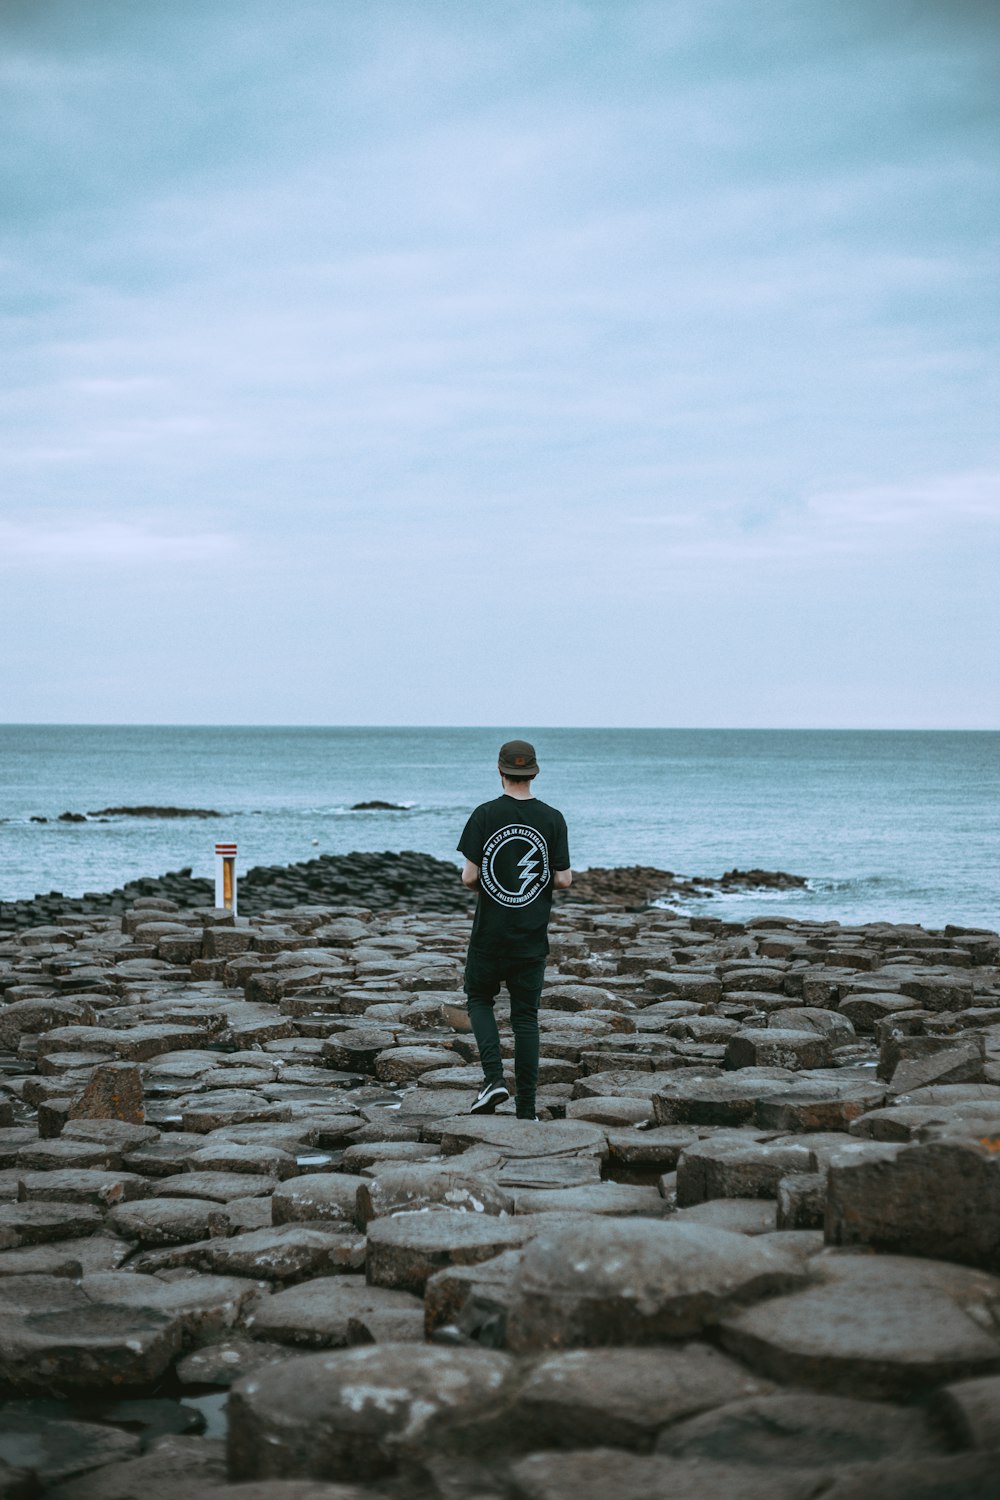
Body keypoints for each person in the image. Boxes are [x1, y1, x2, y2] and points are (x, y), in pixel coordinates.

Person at [457, 739, 572, 1120]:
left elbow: (470, 877)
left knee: (479, 999)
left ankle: (493, 1079)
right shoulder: (553, 818)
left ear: (500, 770)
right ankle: (527, 1110)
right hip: (530, 936)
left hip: (490, 934)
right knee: (526, 1019)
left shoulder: (485, 814)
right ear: (534, 772)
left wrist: (489, 882)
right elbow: (564, 880)